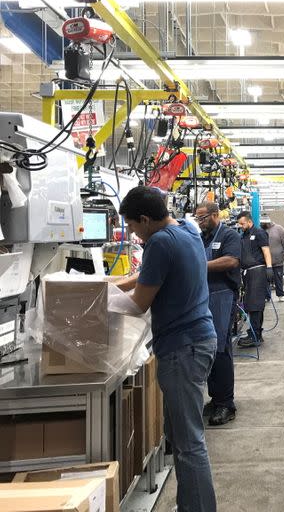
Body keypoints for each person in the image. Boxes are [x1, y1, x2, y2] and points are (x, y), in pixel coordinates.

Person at [114, 186, 217, 512]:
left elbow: (138, 305)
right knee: (179, 433)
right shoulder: (186, 229)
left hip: (182, 348)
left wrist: (98, 305)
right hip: (199, 339)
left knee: (189, 443)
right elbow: (149, 276)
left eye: (131, 226)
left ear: (145, 220)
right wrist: (118, 284)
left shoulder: (158, 243)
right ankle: (190, 504)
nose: (132, 233)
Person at [196, 202, 241, 426]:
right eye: (198, 219)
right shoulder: (202, 237)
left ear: (215, 215)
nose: (200, 222)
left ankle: (226, 404)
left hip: (223, 295)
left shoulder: (229, 235)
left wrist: (198, 265)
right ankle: (215, 399)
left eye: (203, 218)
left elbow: (231, 260)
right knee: (209, 348)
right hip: (205, 296)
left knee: (221, 349)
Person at [237, 211, 272, 347]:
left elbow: (266, 250)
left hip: (258, 271)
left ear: (250, 222)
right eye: (239, 224)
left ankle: (255, 335)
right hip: (248, 273)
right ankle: (254, 332)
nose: (241, 226)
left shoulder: (258, 233)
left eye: (242, 223)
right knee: (251, 304)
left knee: (255, 304)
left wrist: (269, 268)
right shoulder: (243, 235)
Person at [261, 216, 284, 302]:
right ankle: (267, 296)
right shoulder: (261, 230)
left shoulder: (279, 229)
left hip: (277, 260)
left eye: (263, 223)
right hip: (265, 261)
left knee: (278, 279)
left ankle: (281, 294)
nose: (262, 224)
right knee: (265, 279)